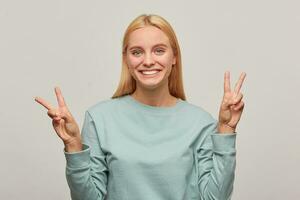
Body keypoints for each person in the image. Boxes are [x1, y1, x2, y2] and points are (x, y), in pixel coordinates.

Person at [35, 14, 246, 200]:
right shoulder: (99, 118)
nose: (148, 61)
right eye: (137, 52)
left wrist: (226, 130)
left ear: (174, 57)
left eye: (159, 50)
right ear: (126, 59)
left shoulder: (201, 123)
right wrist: (73, 145)